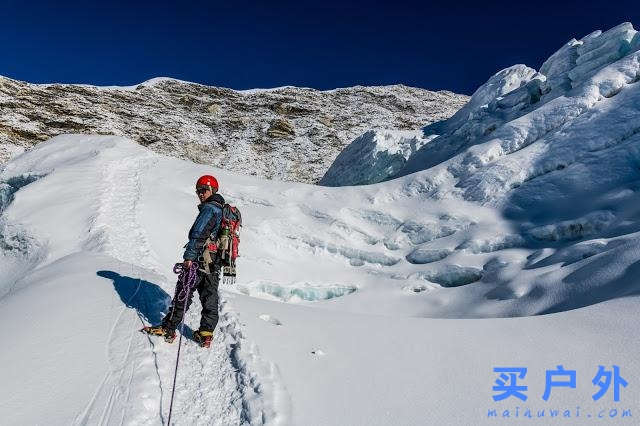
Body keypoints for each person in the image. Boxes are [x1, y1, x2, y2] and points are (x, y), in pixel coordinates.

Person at [143, 175, 224, 348]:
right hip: (214, 264)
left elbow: (198, 233)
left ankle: (168, 328)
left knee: (183, 293)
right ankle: (205, 334)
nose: (200, 194)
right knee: (210, 298)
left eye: (204, 190)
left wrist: (189, 257)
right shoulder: (222, 209)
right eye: (198, 191)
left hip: (198, 261)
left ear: (213, 190)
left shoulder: (209, 209)